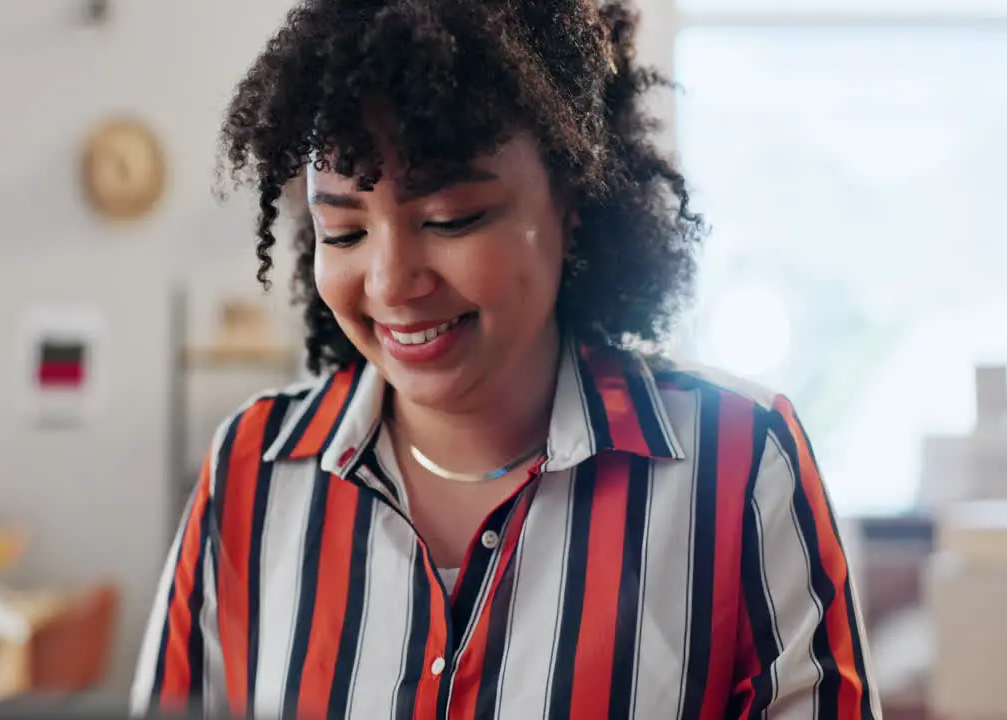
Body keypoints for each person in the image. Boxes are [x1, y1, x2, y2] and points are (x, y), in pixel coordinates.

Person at [132, 0, 879, 718]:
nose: (393, 283)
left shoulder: (738, 465)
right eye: (344, 233)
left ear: (573, 199)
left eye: (451, 219)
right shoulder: (255, 469)